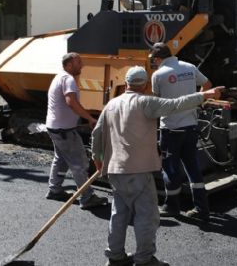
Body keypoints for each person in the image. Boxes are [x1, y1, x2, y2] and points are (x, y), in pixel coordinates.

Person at [91, 66, 223, 266]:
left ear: (126, 83)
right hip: (138, 170)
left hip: (115, 170)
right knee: (146, 216)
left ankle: (115, 256)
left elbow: (96, 135)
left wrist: (98, 161)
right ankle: (144, 259)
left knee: (119, 214)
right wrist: (204, 94)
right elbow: (176, 104)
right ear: (144, 85)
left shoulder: (111, 104)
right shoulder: (145, 102)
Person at [149, 43, 212, 221]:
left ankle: (171, 206)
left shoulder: (158, 75)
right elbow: (207, 84)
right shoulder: (189, 67)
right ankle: (201, 208)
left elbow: (157, 103)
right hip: (190, 125)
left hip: (170, 128)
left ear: (158, 58)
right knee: (192, 166)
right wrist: (198, 101)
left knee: (170, 168)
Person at [44, 52, 107, 210]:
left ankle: (55, 189)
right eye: (79, 62)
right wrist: (89, 118)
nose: (82, 65)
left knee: (61, 159)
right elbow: (71, 102)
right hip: (64, 130)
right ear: (69, 64)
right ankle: (87, 197)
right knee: (79, 162)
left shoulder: (59, 77)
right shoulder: (68, 79)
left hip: (55, 127)